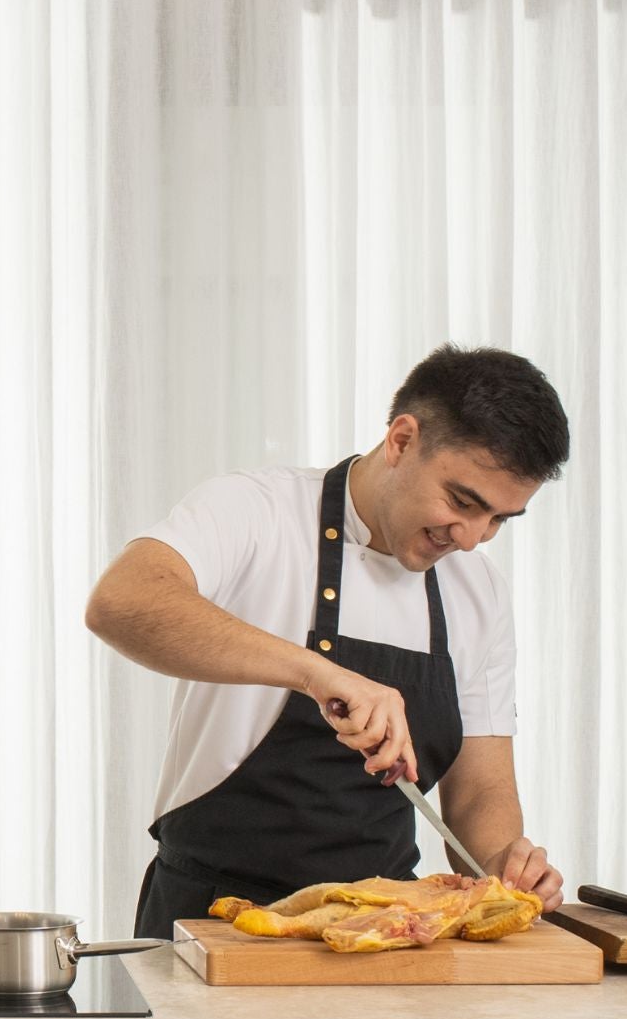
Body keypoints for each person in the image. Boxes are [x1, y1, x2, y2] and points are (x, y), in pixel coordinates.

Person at [88, 345, 571, 938]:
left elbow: (480, 792)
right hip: (210, 919)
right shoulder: (256, 510)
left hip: (383, 930)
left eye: (497, 519)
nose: (472, 539)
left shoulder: (480, 591)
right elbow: (121, 601)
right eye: (462, 502)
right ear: (402, 441)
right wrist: (317, 673)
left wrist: (503, 865)